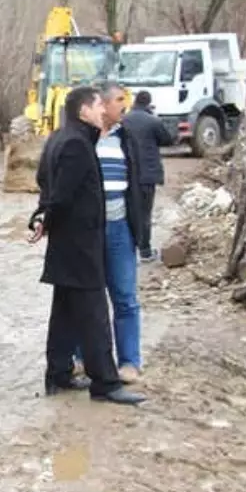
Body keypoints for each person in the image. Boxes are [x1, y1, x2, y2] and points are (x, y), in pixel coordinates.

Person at [30, 85, 144, 406]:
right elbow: (62, 195)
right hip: (80, 246)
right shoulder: (77, 145)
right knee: (94, 317)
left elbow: (48, 188)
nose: (102, 111)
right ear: (83, 111)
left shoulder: (60, 138)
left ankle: (59, 374)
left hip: (67, 247)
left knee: (64, 313)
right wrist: (47, 218)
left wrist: (42, 218)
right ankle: (106, 383)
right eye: (97, 106)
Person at [92, 84, 149, 384]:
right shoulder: (82, 138)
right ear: (101, 104)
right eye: (118, 101)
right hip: (88, 231)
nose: (124, 106)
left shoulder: (127, 139)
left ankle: (129, 361)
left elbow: (140, 183)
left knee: (125, 296)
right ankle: (83, 358)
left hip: (119, 229)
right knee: (88, 296)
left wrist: (140, 228)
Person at [119, 90, 176, 262]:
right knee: (144, 213)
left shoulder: (124, 120)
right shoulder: (153, 121)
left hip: (127, 172)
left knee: (128, 210)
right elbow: (167, 139)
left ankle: (128, 249)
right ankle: (145, 251)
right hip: (146, 174)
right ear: (149, 103)